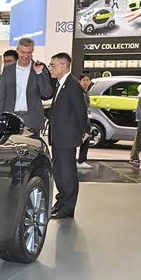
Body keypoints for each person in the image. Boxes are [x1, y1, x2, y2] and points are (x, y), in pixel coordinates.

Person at [47, 53, 90, 220]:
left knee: (67, 174)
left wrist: (84, 131)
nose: (50, 68)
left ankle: (67, 209)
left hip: (67, 136)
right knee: (59, 172)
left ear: (64, 66)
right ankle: (61, 203)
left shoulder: (72, 85)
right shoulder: (61, 84)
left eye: (53, 65)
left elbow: (80, 111)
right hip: (59, 136)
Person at [0, 37, 52, 132]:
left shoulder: (40, 69)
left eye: (29, 52)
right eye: (23, 52)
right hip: (11, 118)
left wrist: (39, 73)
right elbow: (1, 96)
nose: (26, 56)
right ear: (17, 50)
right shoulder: (8, 70)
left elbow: (47, 93)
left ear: (32, 51)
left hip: (32, 119)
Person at [77, 73, 93, 170]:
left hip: (85, 119)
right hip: (79, 120)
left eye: (88, 80)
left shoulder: (87, 92)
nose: (86, 82)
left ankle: (82, 160)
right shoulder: (78, 92)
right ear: (80, 81)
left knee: (85, 139)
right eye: (84, 80)